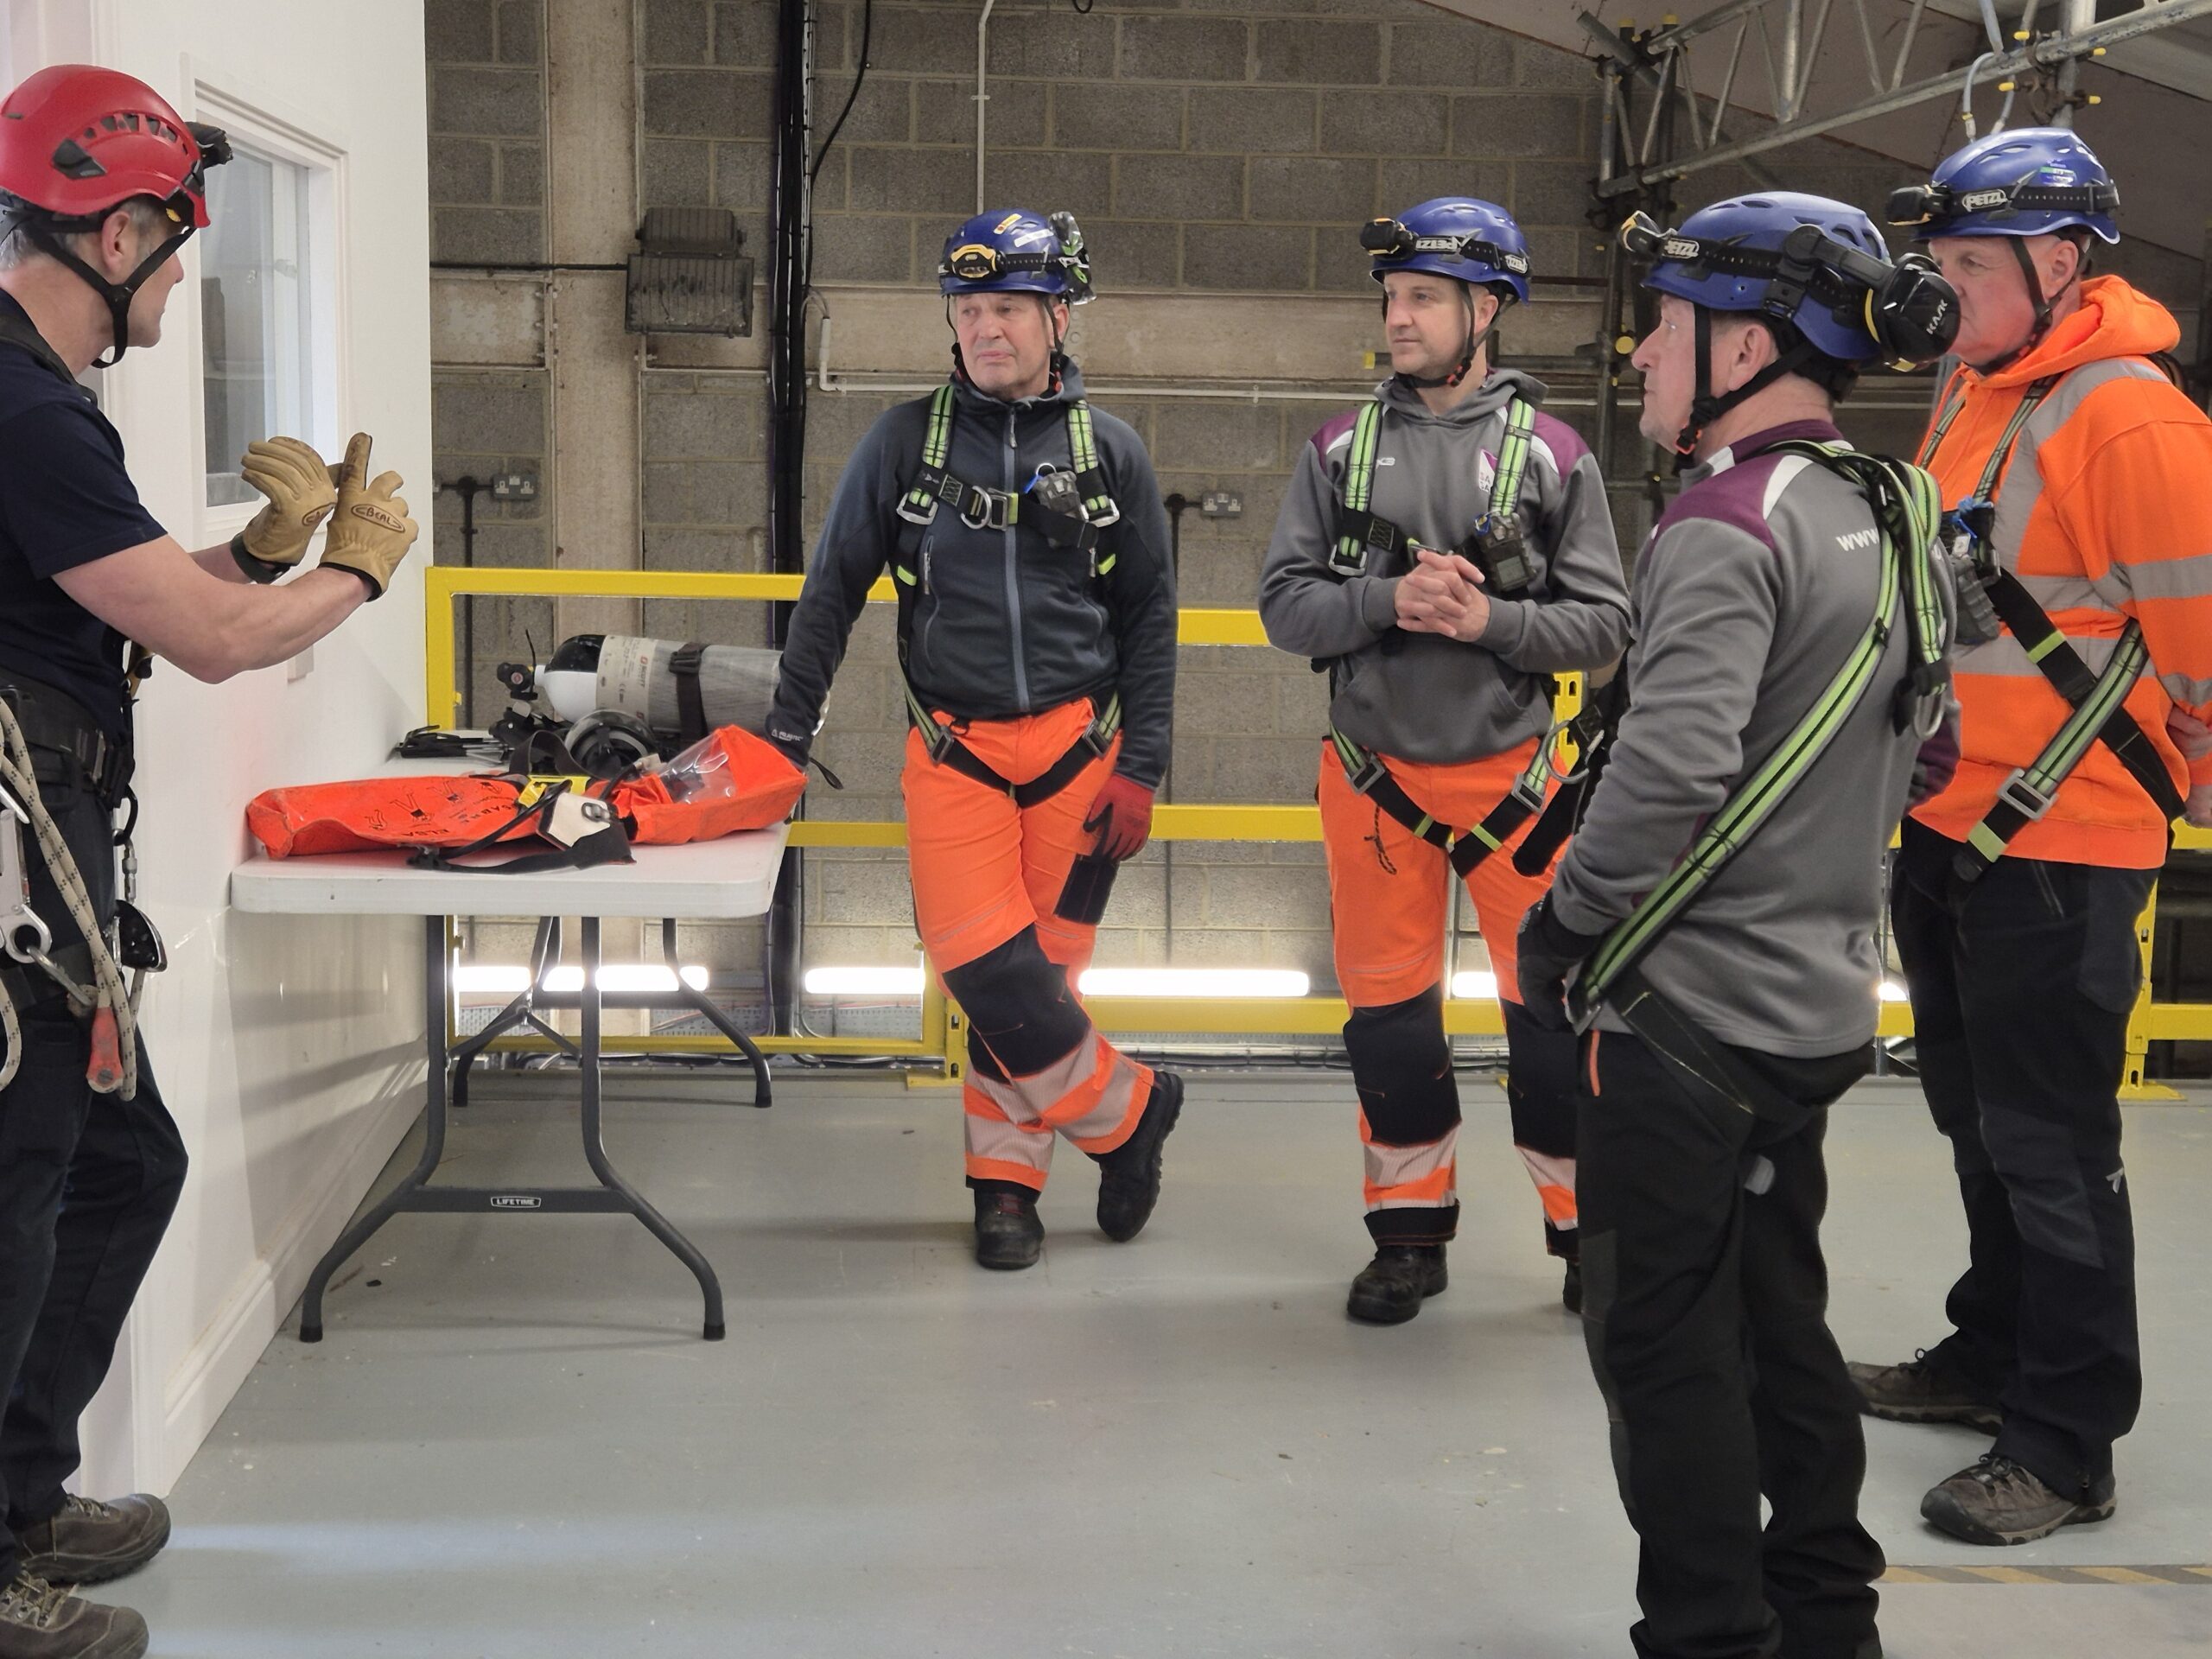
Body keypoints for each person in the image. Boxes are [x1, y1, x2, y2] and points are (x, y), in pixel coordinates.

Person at [0, 64, 419, 1659]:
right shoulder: (30, 412)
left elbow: (122, 597)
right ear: (114, 234)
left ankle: (25, 1497)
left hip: (45, 861)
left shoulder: (36, 402)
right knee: (21, 1199)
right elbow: (218, 646)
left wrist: (252, 551)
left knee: (119, 1168)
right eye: (176, 248)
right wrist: (352, 575)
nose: (184, 280)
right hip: (18, 880)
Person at [1516, 192, 1960, 1659]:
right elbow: (1932, 749)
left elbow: (1668, 777)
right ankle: (1829, 1617)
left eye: (1669, 323)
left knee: (1660, 1347)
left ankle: (1708, 1636)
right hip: (1816, 1010)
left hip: (1685, 1019)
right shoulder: (1894, 507)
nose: (1643, 351)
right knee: (1780, 1323)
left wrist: (1565, 927)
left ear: (1749, 346)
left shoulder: (1724, 522)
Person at [1850, 127, 2212, 1546]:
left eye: (1972, 266)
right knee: (1980, 1127)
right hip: (1952, 826)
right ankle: (1989, 1353)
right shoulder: (1977, 390)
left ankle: (2066, 1443)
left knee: (2053, 1150)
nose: (1944, 292)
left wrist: (2171, 769)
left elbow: (2203, 638)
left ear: (2060, 263)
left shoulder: (2130, 417)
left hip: (2063, 849)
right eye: (1938, 263)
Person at [766, 208, 1180, 1272]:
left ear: (1058, 317)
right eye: (967, 309)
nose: (985, 328)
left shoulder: (1111, 452)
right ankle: (1129, 1114)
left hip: (1081, 756)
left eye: (1008, 308)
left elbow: (1149, 616)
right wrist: (784, 734)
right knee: (981, 973)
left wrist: (1141, 767)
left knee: (1046, 981)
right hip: (954, 752)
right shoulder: (903, 442)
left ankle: (1007, 1190)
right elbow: (830, 593)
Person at [1257, 199, 1629, 1324]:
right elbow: (1285, 606)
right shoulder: (1338, 450)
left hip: (1519, 786)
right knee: (1391, 1025)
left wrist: (1490, 624)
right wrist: (1385, 601)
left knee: (1551, 1025)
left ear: (1487, 310)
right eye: (1392, 296)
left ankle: (1587, 1239)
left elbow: (1605, 627)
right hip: (1376, 784)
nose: (1398, 317)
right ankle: (1408, 1239)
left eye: (1423, 297)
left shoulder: (1554, 456)